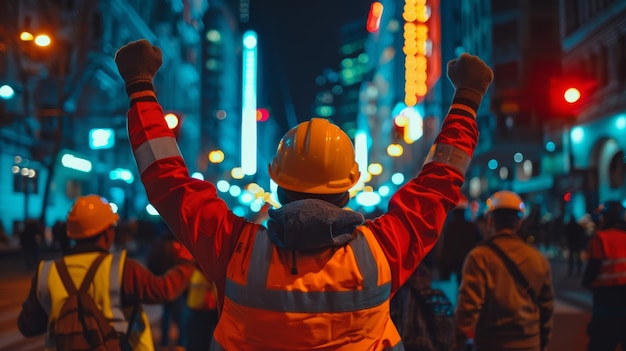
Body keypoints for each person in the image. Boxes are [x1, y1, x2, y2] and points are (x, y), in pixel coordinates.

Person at [114, 38, 493, 350]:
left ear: (278, 184)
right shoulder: (382, 251)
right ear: (348, 187)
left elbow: (168, 182)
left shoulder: (236, 251)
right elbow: (440, 182)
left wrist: (141, 88)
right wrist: (466, 101)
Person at [17, 194, 195, 351]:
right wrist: (186, 262)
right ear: (107, 234)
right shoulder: (123, 268)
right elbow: (163, 291)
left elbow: (28, 326)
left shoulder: (46, 272)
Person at [453, 190, 554, 351]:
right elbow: (546, 309)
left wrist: (456, 344)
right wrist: (542, 343)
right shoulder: (538, 259)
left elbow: (467, 309)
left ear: (490, 221)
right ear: (519, 223)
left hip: (492, 344)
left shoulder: (479, 257)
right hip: (530, 343)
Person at [582, 200, 626, 351]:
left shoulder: (601, 238)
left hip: (607, 301)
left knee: (600, 344)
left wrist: (586, 283)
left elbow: (593, 268)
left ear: (607, 217)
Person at [146, 227, 189, 348]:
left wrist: (157, 277)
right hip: (178, 284)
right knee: (180, 315)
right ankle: (181, 343)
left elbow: (151, 262)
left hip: (163, 281)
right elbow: (185, 264)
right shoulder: (179, 244)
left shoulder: (159, 243)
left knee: (166, 313)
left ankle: (165, 342)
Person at [433, 195, 482, 284]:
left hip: (450, 268)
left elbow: (442, 249)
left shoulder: (448, 228)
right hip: (468, 266)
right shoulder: (471, 227)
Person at [185, 267, 219, 351]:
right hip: (199, 312)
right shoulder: (199, 273)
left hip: (206, 311)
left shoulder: (198, 272)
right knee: (198, 342)